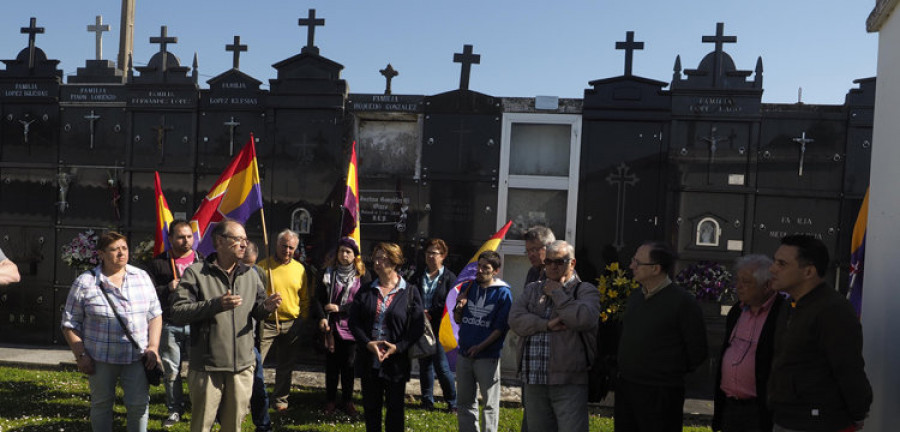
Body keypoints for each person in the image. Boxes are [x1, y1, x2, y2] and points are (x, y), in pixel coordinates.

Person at [170, 218, 282, 432]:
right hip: (207, 367)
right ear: (219, 241)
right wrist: (215, 305)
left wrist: (267, 307)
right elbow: (177, 312)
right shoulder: (196, 273)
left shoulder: (252, 274)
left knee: (233, 427)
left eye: (245, 239)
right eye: (238, 239)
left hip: (242, 367)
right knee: (202, 426)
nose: (244, 244)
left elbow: (256, 311)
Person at [767, 235, 872, 432]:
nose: (772, 269)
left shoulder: (832, 310)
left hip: (820, 422)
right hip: (786, 417)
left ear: (808, 271)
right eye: (774, 261)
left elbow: (848, 368)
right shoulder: (790, 305)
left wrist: (858, 411)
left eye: (782, 264)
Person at [61, 231, 162, 432]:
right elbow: (69, 323)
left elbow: (155, 315)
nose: (121, 253)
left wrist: (153, 347)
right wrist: (80, 355)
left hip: (136, 357)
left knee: (138, 405)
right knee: (101, 404)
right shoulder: (86, 282)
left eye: (124, 248)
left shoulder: (141, 277)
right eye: (114, 249)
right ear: (101, 254)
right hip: (100, 359)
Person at [615, 241, 707, 432]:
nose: (632, 266)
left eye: (637, 262)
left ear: (655, 268)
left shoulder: (682, 302)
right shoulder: (636, 298)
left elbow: (697, 351)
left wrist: (667, 370)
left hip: (661, 394)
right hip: (628, 388)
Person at [509, 241, 600, 432]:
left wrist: (558, 294)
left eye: (559, 262)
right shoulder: (533, 289)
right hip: (534, 378)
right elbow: (515, 319)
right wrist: (546, 325)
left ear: (572, 263)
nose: (552, 266)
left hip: (569, 381)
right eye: (548, 262)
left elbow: (583, 319)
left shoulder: (585, 290)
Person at [349, 242, 424, 432]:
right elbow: (354, 322)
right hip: (369, 360)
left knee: (395, 410)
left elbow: (417, 327)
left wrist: (398, 347)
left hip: (396, 362)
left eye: (382, 258)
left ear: (394, 262)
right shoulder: (366, 290)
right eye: (375, 257)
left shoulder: (410, 292)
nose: (377, 261)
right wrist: (367, 343)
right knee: (371, 408)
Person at [712, 255, 784, 432]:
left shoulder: (782, 313)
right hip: (731, 406)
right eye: (738, 280)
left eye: (746, 282)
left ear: (767, 285)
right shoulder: (737, 311)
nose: (739, 286)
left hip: (760, 409)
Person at [145, 220, 203, 428]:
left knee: (199, 370)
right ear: (170, 239)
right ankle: (174, 410)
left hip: (196, 323)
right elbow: (149, 296)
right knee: (171, 370)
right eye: (180, 237)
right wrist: (167, 288)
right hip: (170, 323)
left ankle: (201, 409)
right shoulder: (158, 263)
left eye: (189, 236)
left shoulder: (201, 262)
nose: (186, 241)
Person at [455, 250, 513, 432]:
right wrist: (459, 305)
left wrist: (480, 347)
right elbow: (458, 319)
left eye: (485, 268)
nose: (480, 271)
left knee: (489, 404)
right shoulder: (469, 287)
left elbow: (500, 328)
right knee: (465, 402)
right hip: (464, 354)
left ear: (495, 271)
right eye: (478, 266)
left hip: (487, 356)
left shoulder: (503, 293)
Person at [313, 236, 370, 415]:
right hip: (331, 327)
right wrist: (322, 317)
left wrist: (341, 308)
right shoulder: (328, 273)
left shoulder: (363, 276)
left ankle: (347, 400)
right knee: (332, 365)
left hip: (352, 327)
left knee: (349, 365)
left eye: (348, 252)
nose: (344, 255)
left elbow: (364, 302)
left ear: (355, 256)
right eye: (341, 251)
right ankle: (330, 400)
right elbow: (318, 299)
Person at [257, 229, 310, 412]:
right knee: (255, 363)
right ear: (276, 245)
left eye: (291, 248)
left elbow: (304, 296)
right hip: (267, 323)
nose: (287, 250)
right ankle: (251, 398)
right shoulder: (262, 267)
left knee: (285, 366)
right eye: (284, 246)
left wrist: (303, 318)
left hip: (291, 323)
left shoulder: (299, 268)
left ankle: (280, 400)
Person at [412, 238, 458, 413]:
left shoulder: (449, 277)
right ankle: (427, 400)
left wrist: (432, 311)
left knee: (441, 365)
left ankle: (452, 402)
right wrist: (420, 311)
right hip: (422, 326)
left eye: (435, 253)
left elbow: (450, 301)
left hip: (439, 326)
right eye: (428, 252)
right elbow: (412, 296)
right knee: (425, 365)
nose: (431, 256)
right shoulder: (418, 275)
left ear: (443, 256)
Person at [243, 241, 273, 432]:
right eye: (245, 265)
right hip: (231, 341)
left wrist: (268, 307)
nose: (248, 269)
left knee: (259, 385)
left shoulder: (258, 274)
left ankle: (263, 425)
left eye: (252, 265)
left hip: (251, 339)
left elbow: (259, 308)